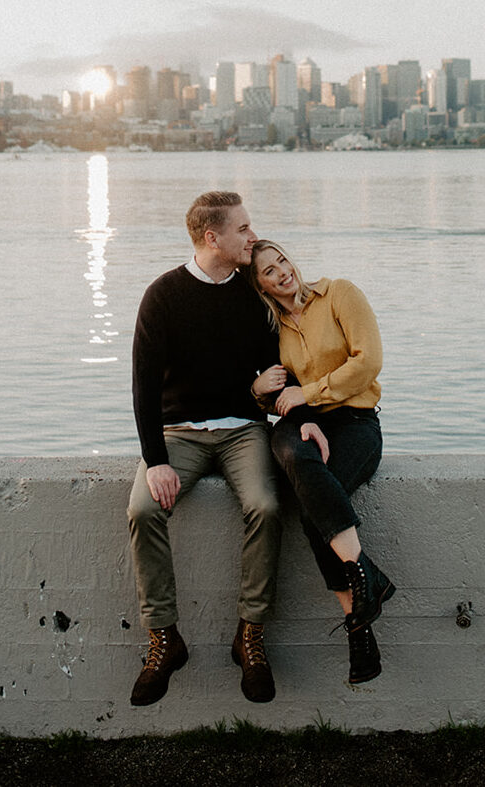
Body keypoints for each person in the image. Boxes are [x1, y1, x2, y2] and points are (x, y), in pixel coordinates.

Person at [127, 192, 282, 706]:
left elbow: (274, 373)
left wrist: (282, 401)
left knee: (265, 505)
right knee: (144, 508)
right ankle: (164, 638)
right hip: (178, 433)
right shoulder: (163, 295)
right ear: (212, 238)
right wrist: (156, 461)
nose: (252, 236)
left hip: (243, 430)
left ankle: (250, 634)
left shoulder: (252, 295)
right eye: (243, 229)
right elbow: (143, 387)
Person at [249, 240, 395, 686]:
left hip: (355, 424)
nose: (281, 274)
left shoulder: (339, 295)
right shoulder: (273, 330)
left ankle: (358, 630)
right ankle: (365, 573)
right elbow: (275, 396)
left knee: (315, 513)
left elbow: (368, 362)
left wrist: (308, 392)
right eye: (269, 273)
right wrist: (259, 391)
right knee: (293, 456)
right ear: (261, 286)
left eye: (282, 262)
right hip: (303, 425)